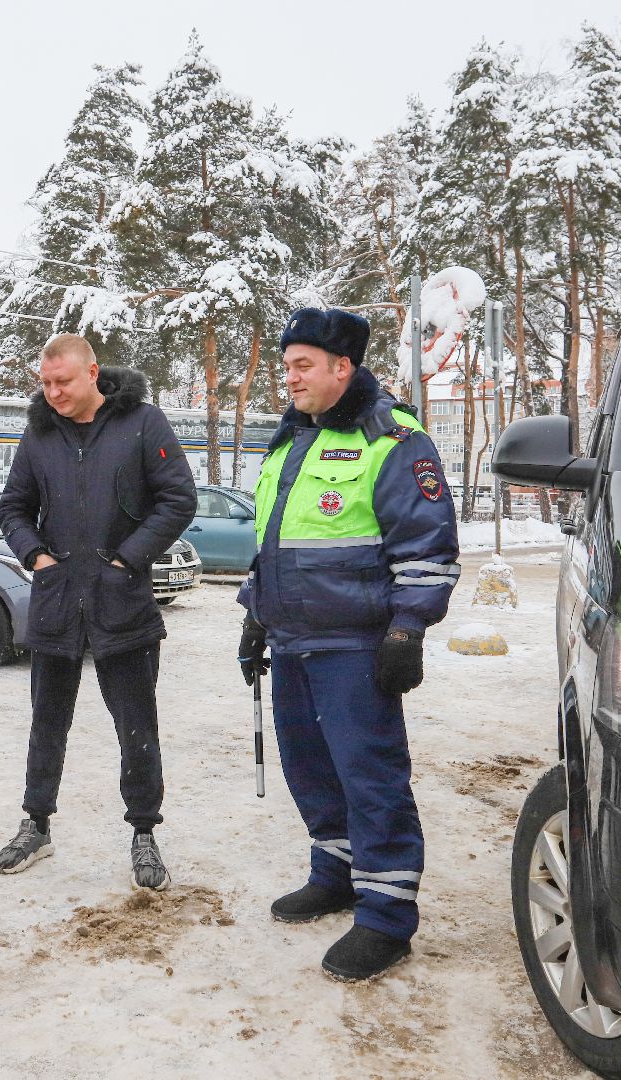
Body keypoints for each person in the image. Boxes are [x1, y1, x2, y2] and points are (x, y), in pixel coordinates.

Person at [236, 307, 459, 981]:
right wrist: (255, 616)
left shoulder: (392, 439)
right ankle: (334, 873)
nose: (290, 378)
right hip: (294, 640)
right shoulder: (289, 441)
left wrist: (405, 629)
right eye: (287, 365)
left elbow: (428, 548)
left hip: (356, 648)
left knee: (370, 777)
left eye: (303, 365)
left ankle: (387, 917)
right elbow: (271, 546)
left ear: (344, 367)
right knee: (312, 771)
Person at [0, 334, 197, 889]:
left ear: (93, 373)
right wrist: (35, 554)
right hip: (57, 600)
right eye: (46, 382)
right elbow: (11, 505)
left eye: (64, 381)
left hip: (122, 601)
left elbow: (179, 498)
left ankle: (144, 832)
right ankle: (36, 823)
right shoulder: (38, 434)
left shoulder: (143, 423)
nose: (53, 392)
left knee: (137, 727)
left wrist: (128, 561)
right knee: (46, 722)